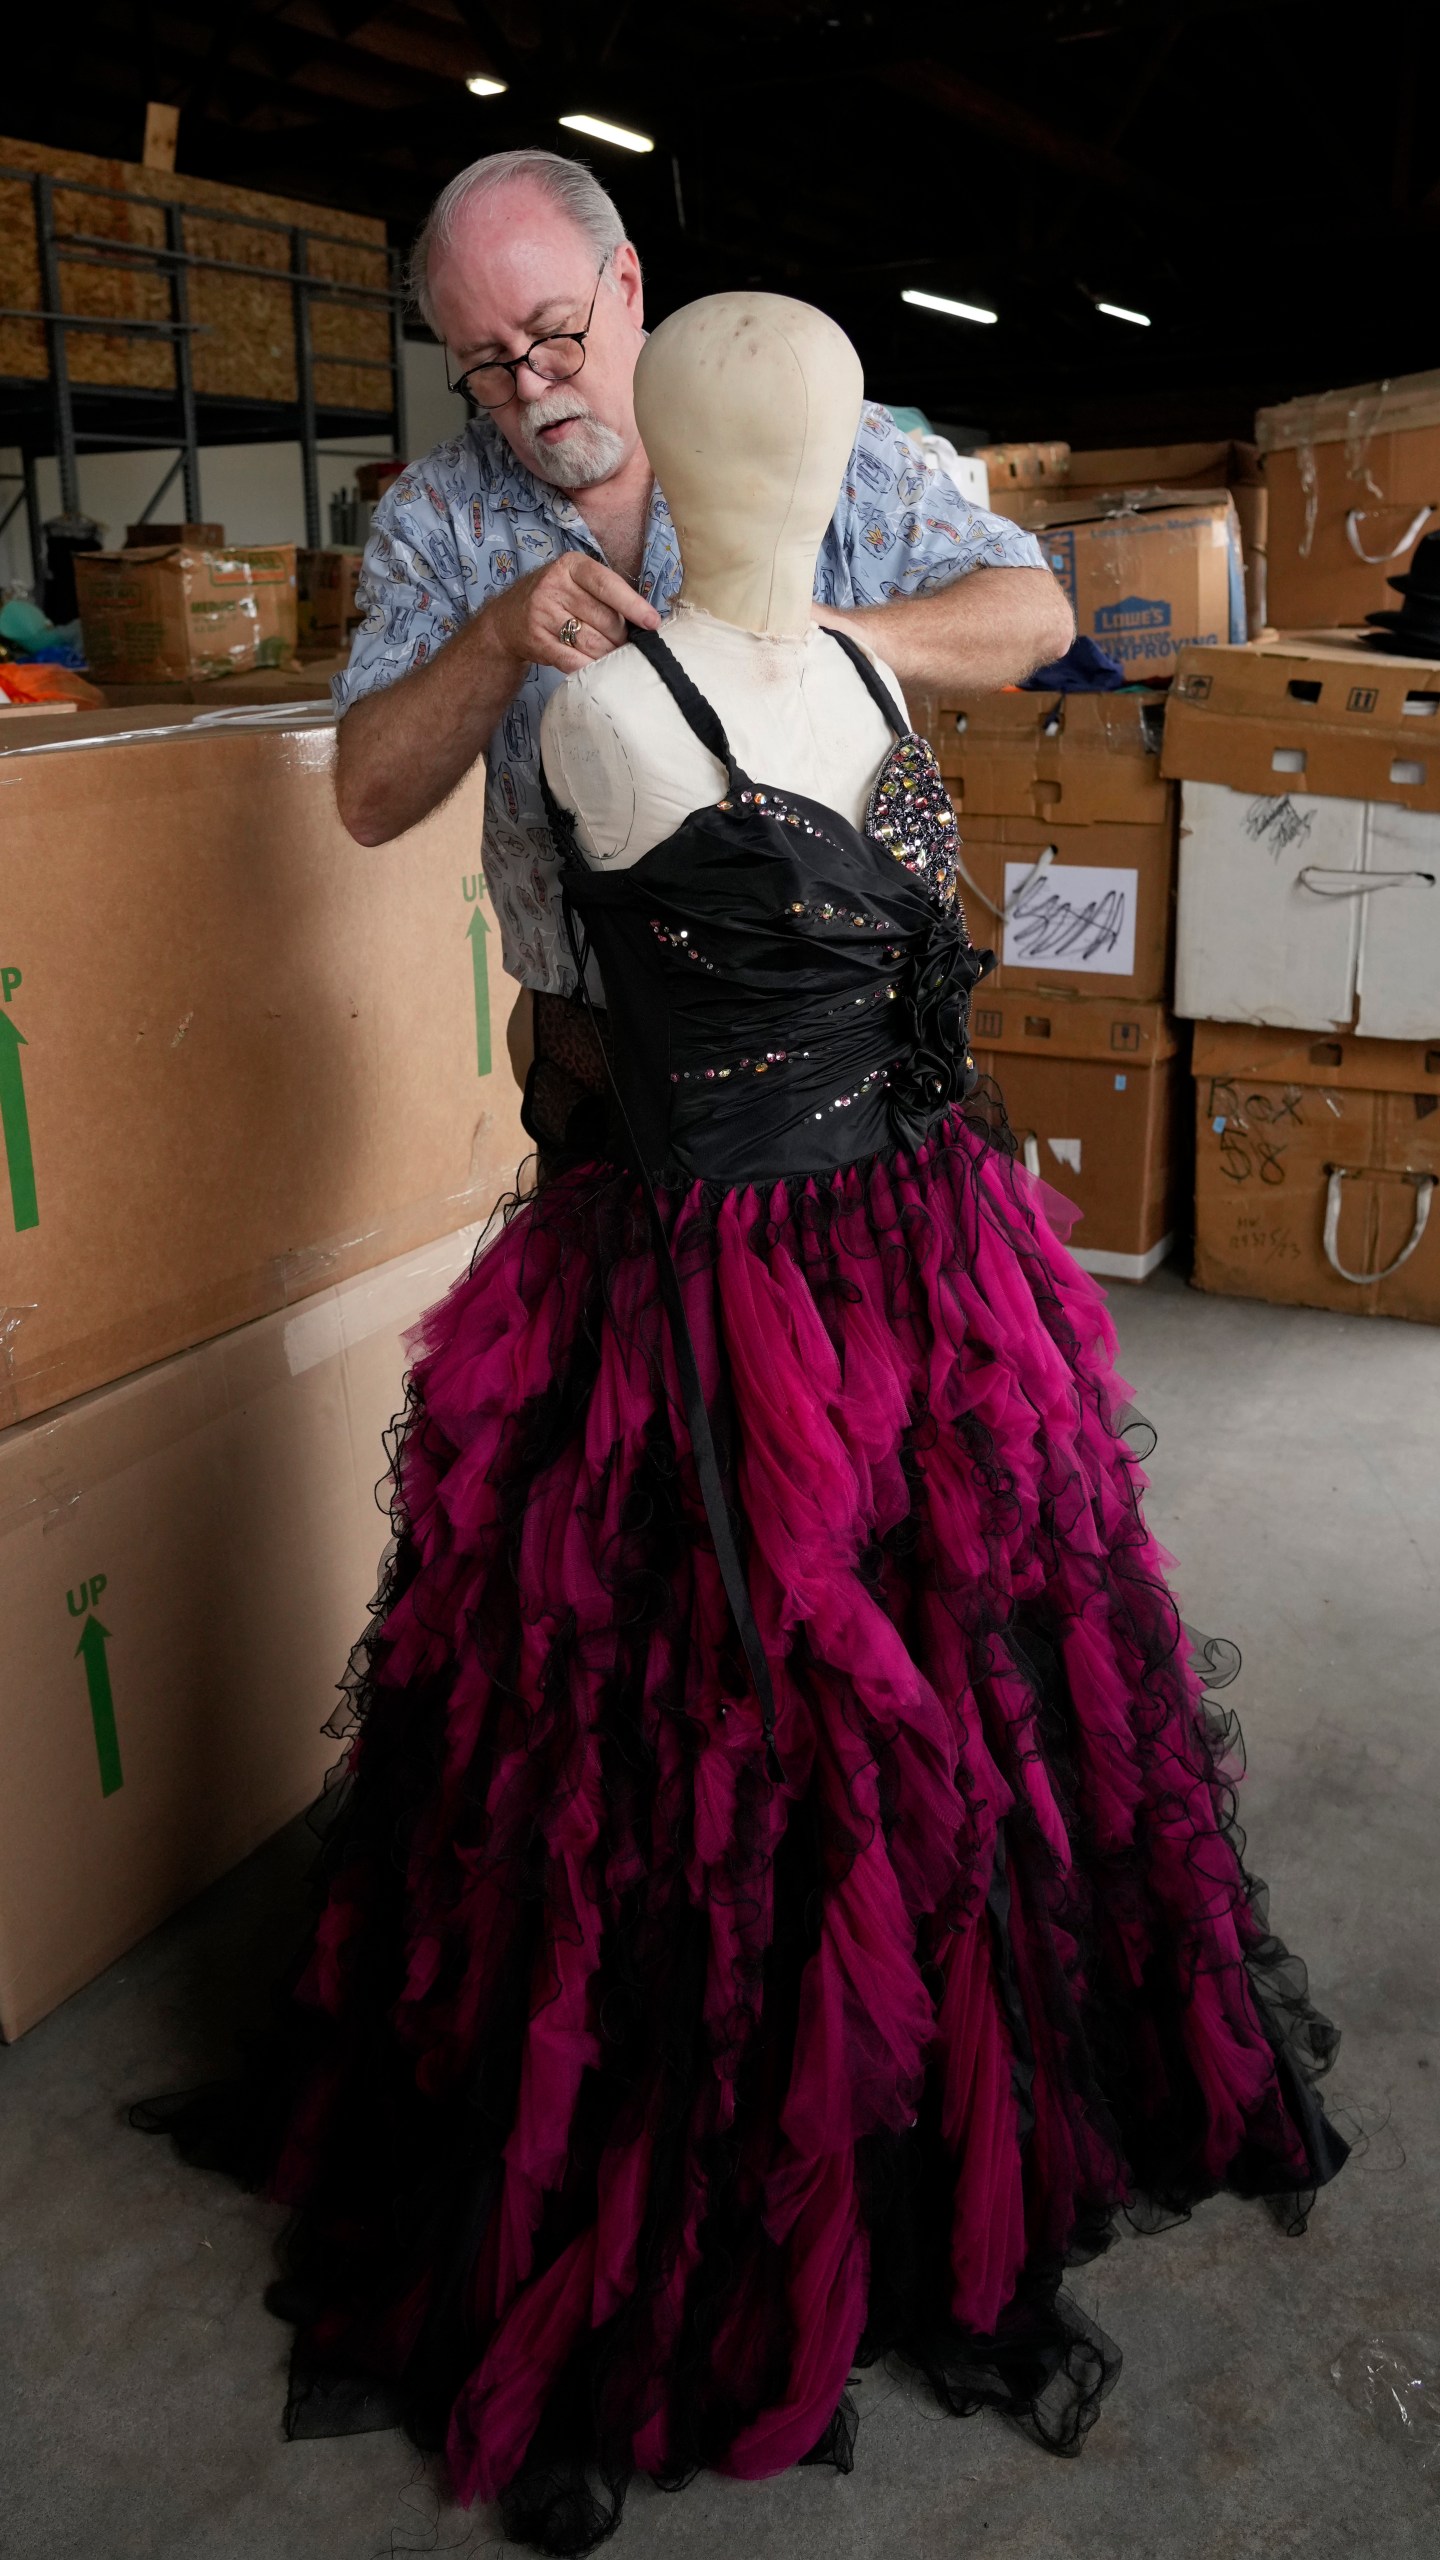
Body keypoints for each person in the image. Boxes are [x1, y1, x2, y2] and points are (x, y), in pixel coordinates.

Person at [138, 285, 1346, 2558]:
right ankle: (772, 2168)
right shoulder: (588, 686)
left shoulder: (852, 659)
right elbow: (417, 797)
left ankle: (882, 2135)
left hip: (844, 1254)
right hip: (751, 1281)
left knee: (894, 1707)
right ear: (722, 472)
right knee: (698, 1739)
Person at [329, 146, 1075, 1112]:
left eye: (555, 336)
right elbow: (367, 799)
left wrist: (821, 641)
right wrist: (496, 639)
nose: (531, 387)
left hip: (851, 1048)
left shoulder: (808, 435)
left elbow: (1036, 612)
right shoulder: (436, 518)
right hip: (600, 1050)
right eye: (484, 366)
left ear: (627, 282)